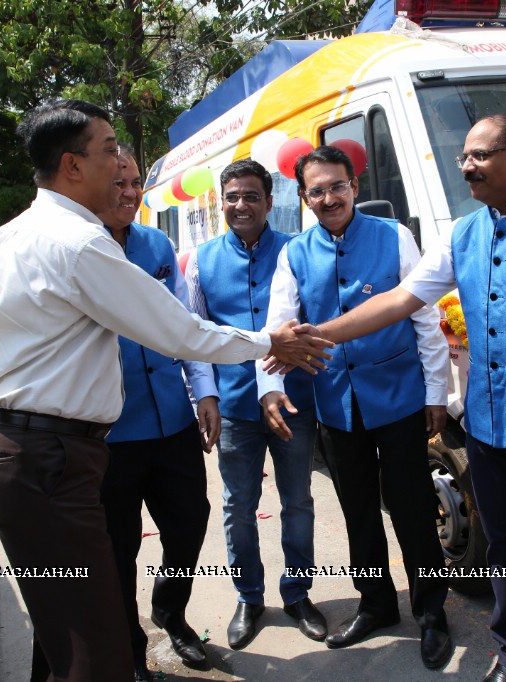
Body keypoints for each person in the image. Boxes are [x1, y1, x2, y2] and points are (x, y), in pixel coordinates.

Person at [0, 98, 332, 682]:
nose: (125, 172)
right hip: (57, 457)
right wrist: (269, 343)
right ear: (73, 166)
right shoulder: (78, 244)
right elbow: (179, 330)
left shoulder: (12, 233)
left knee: (64, 631)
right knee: (94, 645)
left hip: (33, 451)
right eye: (110, 151)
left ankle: (168, 618)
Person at [295, 115, 506, 682]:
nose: (467, 165)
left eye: (480, 155)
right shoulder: (463, 233)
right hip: (487, 427)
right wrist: (319, 334)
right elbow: (402, 300)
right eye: (464, 157)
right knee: (504, 548)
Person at [255, 145, 454, 670]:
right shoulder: (294, 253)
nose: (328, 197)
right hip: (337, 406)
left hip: (400, 399)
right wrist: (267, 386)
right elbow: (278, 328)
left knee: (412, 506)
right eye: (316, 190)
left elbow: (425, 320)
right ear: (303, 198)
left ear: (355, 188)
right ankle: (377, 606)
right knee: (358, 510)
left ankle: (432, 610)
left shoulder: (394, 237)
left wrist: (436, 392)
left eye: (336, 186)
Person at [185, 159, 324, 651]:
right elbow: (195, 337)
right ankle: (249, 597)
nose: (240, 205)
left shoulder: (298, 251)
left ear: (269, 202)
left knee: (298, 503)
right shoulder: (201, 261)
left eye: (251, 196)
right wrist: (205, 395)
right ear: (221, 202)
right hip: (237, 409)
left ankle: (298, 593)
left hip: (293, 405)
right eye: (232, 197)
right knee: (237, 506)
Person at [97, 150, 217, 681]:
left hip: (172, 421)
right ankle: (127, 643)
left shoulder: (157, 244)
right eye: (116, 182)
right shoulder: (80, 251)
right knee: (116, 546)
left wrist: (204, 394)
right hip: (109, 433)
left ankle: (171, 613)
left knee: (190, 524)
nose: (127, 193)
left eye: (134, 184)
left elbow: (182, 323)